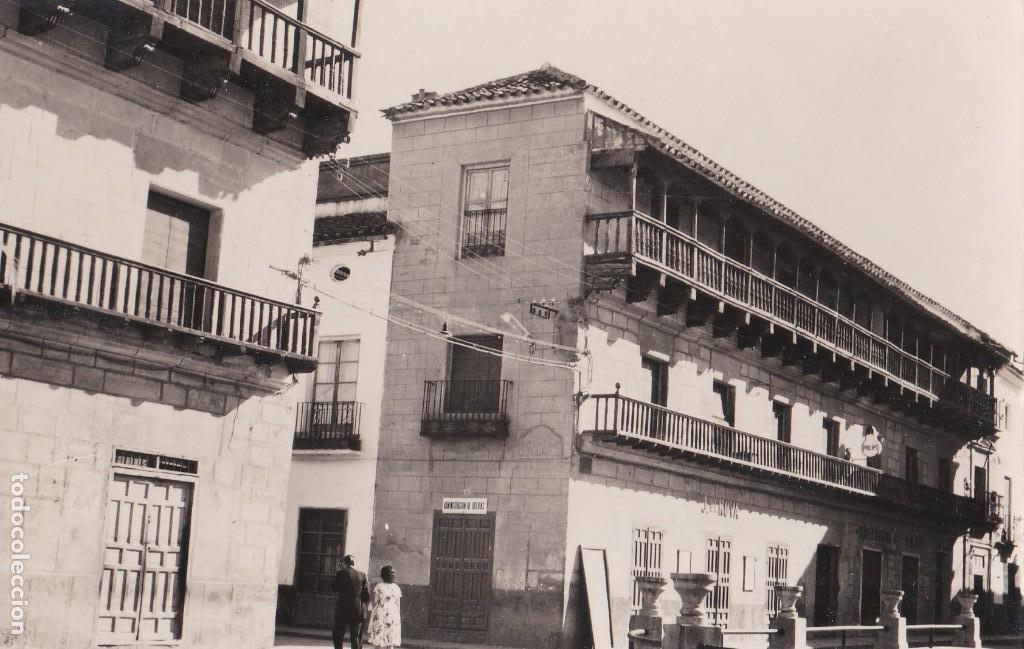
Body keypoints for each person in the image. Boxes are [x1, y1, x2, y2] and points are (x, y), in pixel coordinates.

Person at [332, 555, 370, 649]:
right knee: (356, 637)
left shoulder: (340, 574)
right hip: (358, 610)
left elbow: (334, 588)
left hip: (342, 609)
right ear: (354, 564)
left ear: (344, 563)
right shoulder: (362, 575)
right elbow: (367, 595)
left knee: (338, 635)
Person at [365, 565, 402, 649]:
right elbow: (398, 605)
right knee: (390, 635)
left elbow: (375, 601)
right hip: (393, 613)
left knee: (379, 633)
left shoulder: (379, 586)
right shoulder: (396, 588)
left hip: (381, 611)